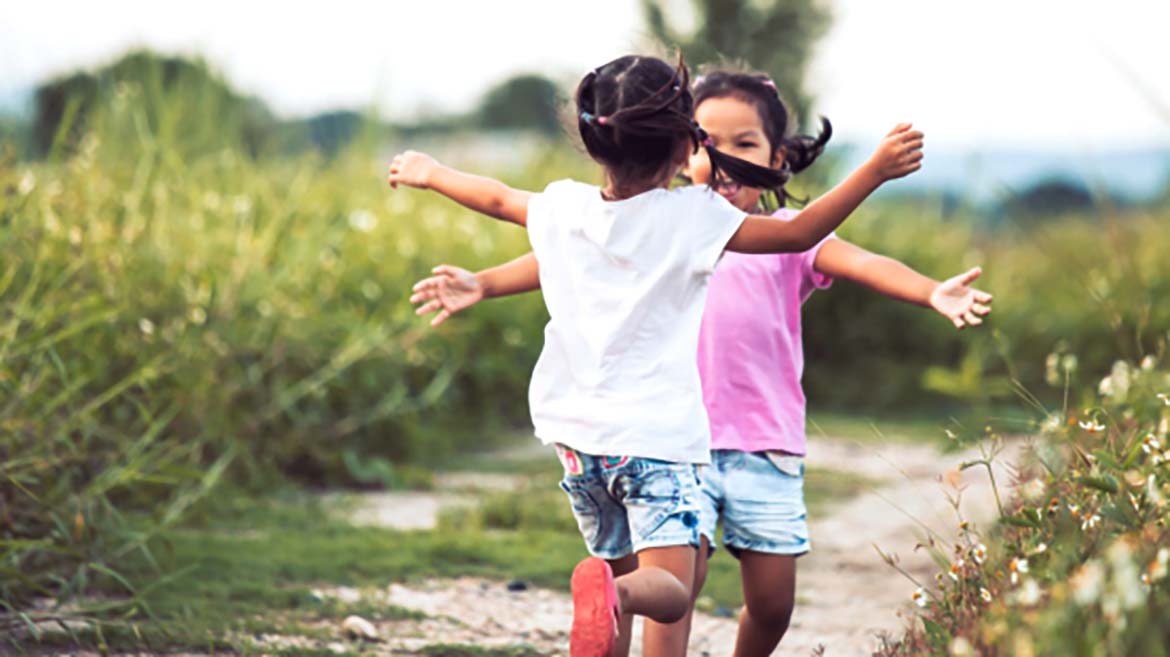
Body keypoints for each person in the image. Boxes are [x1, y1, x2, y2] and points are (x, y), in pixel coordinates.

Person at [390, 55, 924, 657]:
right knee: (668, 588)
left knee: (615, 572)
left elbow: (492, 197)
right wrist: (874, 172)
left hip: (577, 443)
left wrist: (430, 170)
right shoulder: (694, 220)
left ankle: (610, 595)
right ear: (683, 149)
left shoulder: (565, 207)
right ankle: (616, 595)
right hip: (655, 443)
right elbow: (797, 234)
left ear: (595, 142)